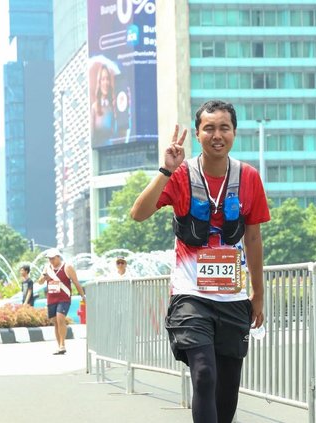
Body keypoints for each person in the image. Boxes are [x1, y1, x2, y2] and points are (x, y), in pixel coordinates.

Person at [130, 100, 270, 423]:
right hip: (190, 296)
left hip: (233, 298)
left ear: (234, 132)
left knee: (227, 391)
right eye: (209, 128)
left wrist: (258, 293)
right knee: (205, 375)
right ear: (197, 134)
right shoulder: (180, 176)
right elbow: (138, 214)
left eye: (224, 128)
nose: (216, 135)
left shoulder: (248, 178)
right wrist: (166, 170)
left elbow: (253, 239)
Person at [37, 248, 86, 355]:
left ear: (58, 257)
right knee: (55, 322)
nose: (51, 261)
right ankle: (59, 346)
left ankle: (63, 344)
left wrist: (83, 296)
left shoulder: (67, 267)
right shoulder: (47, 268)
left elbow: (76, 282)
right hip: (51, 298)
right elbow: (40, 282)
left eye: (53, 258)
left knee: (60, 318)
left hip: (64, 298)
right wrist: (45, 277)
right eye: (49, 259)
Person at [90, 63, 116, 147]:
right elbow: (91, 135)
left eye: (107, 79)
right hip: (98, 151)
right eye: (103, 79)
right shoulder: (94, 108)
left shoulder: (113, 107)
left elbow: (118, 134)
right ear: (99, 82)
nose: (106, 82)